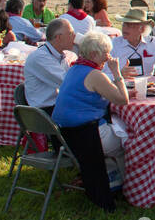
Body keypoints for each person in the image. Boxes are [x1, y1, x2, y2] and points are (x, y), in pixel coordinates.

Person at [52, 30, 130, 208]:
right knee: (130, 139)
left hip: (68, 135)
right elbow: (123, 100)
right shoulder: (95, 75)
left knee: (118, 128)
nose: (108, 57)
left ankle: (113, 179)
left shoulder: (75, 68)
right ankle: (130, 186)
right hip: (88, 135)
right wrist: (117, 73)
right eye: (106, 53)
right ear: (94, 54)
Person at [23, 18, 75, 112]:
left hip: (57, 105)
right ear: (59, 37)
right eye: (71, 33)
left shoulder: (61, 54)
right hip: (44, 112)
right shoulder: (40, 57)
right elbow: (67, 83)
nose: (74, 37)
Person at [110, 9, 155, 76]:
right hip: (121, 84)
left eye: (130, 25)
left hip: (147, 84)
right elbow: (103, 73)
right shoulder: (114, 44)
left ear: (142, 29)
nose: (125, 28)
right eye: (124, 24)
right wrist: (118, 74)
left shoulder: (153, 42)